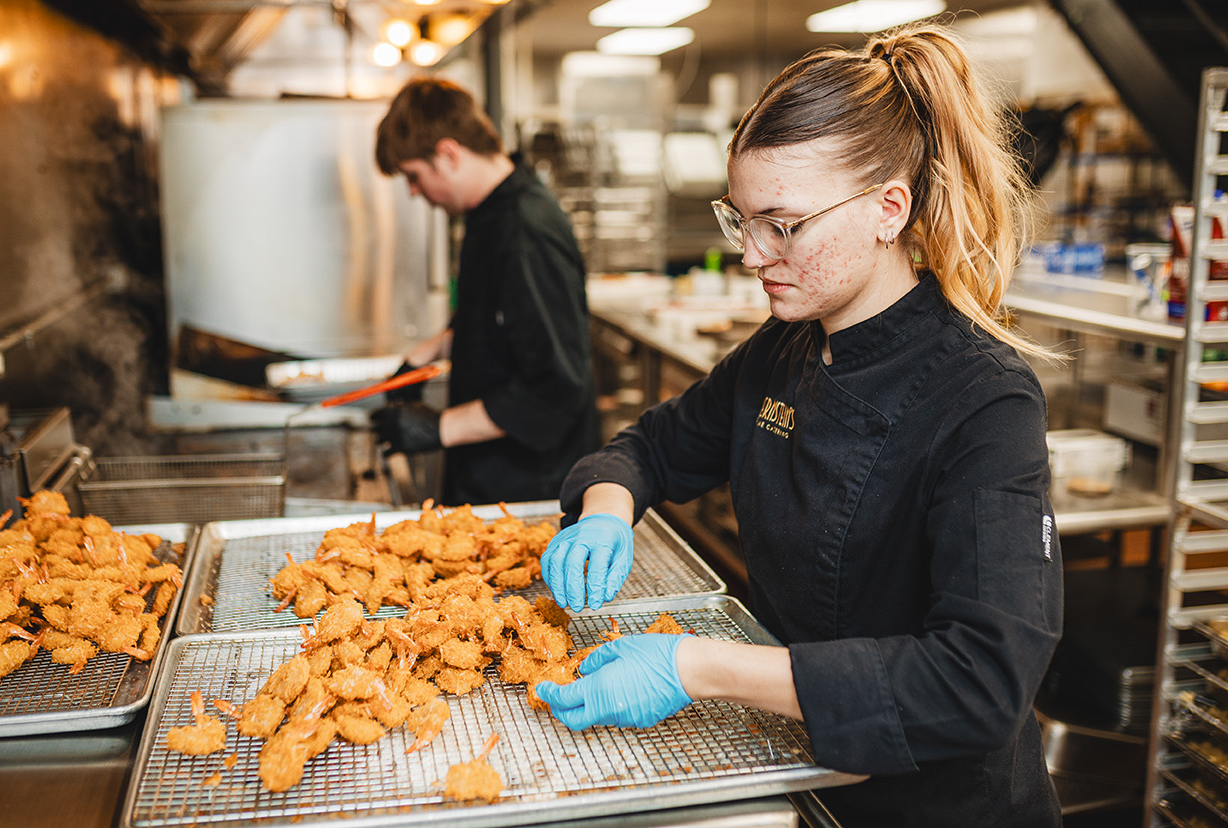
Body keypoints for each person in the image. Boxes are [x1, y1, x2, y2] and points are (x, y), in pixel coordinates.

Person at [536, 24, 1064, 828]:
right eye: (740, 218)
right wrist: (606, 509)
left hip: (932, 804)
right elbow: (647, 447)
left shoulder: (984, 400)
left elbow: (978, 683)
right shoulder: (781, 352)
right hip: (801, 768)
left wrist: (699, 667)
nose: (751, 254)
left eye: (781, 224)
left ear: (889, 209)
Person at [370, 77, 598, 506]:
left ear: (448, 154)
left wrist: (438, 428)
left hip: (529, 487)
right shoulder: (487, 214)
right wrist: (426, 355)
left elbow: (557, 389)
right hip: (488, 470)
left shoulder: (526, 232)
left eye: (414, 177)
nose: (414, 192)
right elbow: (494, 318)